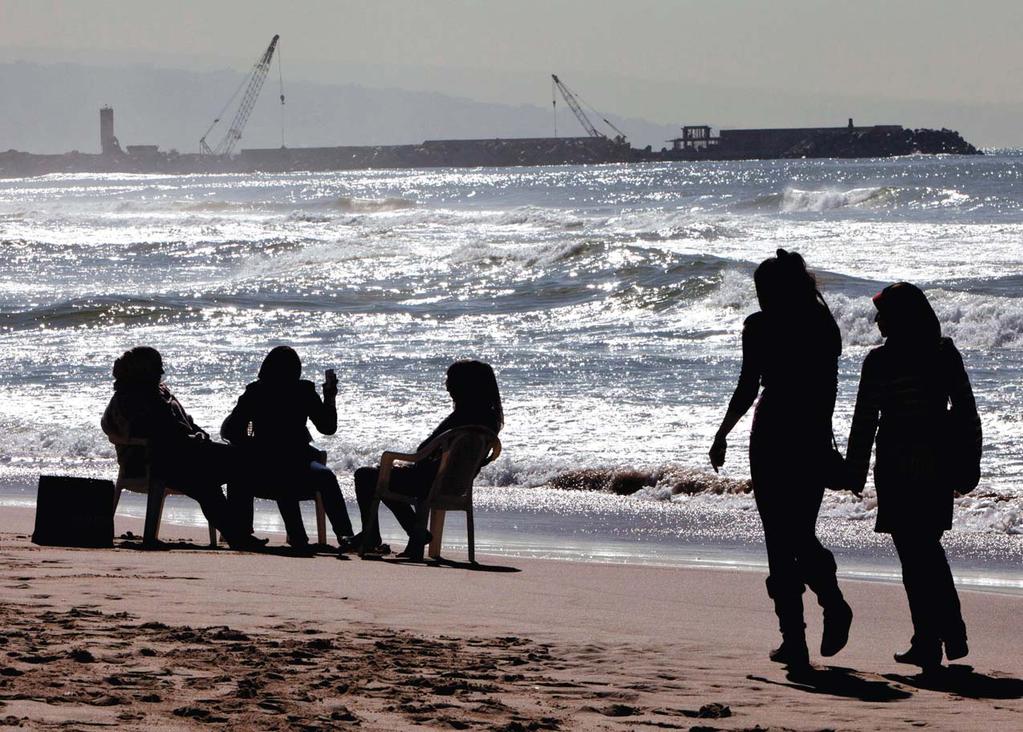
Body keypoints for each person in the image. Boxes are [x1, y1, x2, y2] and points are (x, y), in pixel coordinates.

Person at [709, 249, 852, 668]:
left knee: (782, 536)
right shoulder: (822, 325)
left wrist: (722, 433)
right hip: (805, 435)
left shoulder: (760, 327)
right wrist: (825, 439)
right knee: (796, 533)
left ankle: (807, 628)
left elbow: (747, 387)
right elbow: (828, 391)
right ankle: (819, 615)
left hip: (773, 434)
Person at [845, 282, 981, 670]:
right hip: (937, 464)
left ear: (899, 317)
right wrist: (970, 464)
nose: (876, 320)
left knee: (916, 556)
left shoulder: (880, 361)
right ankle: (945, 636)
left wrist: (854, 472)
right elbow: (969, 411)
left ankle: (935, 638)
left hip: (898, 466)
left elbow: (865, 421)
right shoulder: (943, 353)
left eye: (883, 313)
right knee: (927, 551)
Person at [101, 346, 257, 550]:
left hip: (183, 455)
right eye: (156, 368)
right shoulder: (131, 399)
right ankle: (238, 534)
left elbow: (186, 422)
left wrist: (198, 433)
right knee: (229, 469)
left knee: (229, 469)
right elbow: (159, 432)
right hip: (157, 462)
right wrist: (192, 439)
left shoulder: (158, 391)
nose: (161, 372)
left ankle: (238, 533)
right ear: (142, 370)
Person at [349, 360, 504, 560]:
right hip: (457, 485)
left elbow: (423, 449)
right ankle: (416, 532)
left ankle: (386, 535)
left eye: (450, 380)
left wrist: (407, 464)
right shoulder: (490, 421)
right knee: (383, 475)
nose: (447, 385)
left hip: (428, 483)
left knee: (367, 476)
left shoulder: (461, 416)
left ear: (465, 385)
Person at [221, 346, 354, 549]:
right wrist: (330, 397)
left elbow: (229, 430)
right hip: (293, 463)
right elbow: (328, 427)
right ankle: (342, 536)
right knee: (323, 476)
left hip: (271, 466)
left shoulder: (257, 391)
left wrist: (249, 446)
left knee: (294, 474)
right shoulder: (302, 390)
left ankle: (326, 536)